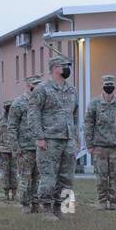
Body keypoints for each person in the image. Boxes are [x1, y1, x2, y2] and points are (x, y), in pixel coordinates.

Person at [30, 55, 79, 220]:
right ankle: (47, 210)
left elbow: (75, 115)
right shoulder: (42, 90)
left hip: (68, 139)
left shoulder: (72, 89)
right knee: (48, 175)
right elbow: (34, 114)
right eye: (64, 66)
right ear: (55, 68)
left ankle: (65, 209)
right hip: (49, 139)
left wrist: (76, 138)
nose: (67, 69)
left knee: (67, 176)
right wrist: (39, 137)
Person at [86, 74, 116, 209]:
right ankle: (102, 202)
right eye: (106, 85)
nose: (109, 88)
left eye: (111, 85)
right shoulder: (94, 104)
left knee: (115, 176)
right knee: (101, 177)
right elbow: (89, 125)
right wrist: (89, 145)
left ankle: (114, 202)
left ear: (114, 87)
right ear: (102, 86)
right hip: (99, 147)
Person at [6, 78, 41, 212]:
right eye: (34, 86)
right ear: (28, 86)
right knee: (25, 178)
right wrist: (15, 147)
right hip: (25, 148)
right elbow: (12, 127)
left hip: (40, 146)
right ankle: (25, 205)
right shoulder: (18, 103)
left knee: (39, 178)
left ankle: (36, 204)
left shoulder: (42, 102)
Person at [0, 100, 17, 201]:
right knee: (5, 172)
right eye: (8, 107)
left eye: (11, 107)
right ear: (5, 108)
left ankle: (15, 192)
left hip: (15, 149)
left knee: (14, 171)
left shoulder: (17, 120)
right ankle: (6, 193)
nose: (9, 108)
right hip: (3, 150)